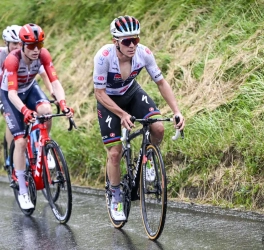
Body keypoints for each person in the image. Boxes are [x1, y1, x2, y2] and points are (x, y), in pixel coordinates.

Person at [93, 15, 185, 221]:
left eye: (136, 39)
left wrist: (177, 110)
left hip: (131, 92)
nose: (132, 45)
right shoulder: (103, 56)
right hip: (108, 100)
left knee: (158, 128)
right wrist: (122, 114)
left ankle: (148, 157)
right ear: (115, 41)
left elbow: (161, 83)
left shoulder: (143, 54)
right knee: (115, 153)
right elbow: (99, 93)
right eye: (127, 41)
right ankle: (115, 196)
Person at [0, 23, 74, 210]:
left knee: (46, 110)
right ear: (22, 46)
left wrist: (63, 102)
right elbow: (12, 94)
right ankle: (23, 189)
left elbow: (54, 82)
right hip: (10, 94)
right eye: (31, 46)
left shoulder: (43, 55)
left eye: (38, 45)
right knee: (21, 141)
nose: (35, 50)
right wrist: (24, 111)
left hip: (30, 88)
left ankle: (44, 145)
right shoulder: (12, 60)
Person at [0, 25, 54, 165]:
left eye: (18, 43)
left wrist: (52, 92)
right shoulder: (4, 56)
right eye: (13, 43)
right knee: (12, 121)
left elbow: (44, 74)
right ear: (7, 43)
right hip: (6, 92)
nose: (16, 46)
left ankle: (41, 147)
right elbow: (8, 90)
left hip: (24, 89)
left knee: (42, 113)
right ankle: (11, 156)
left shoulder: (30, 54)